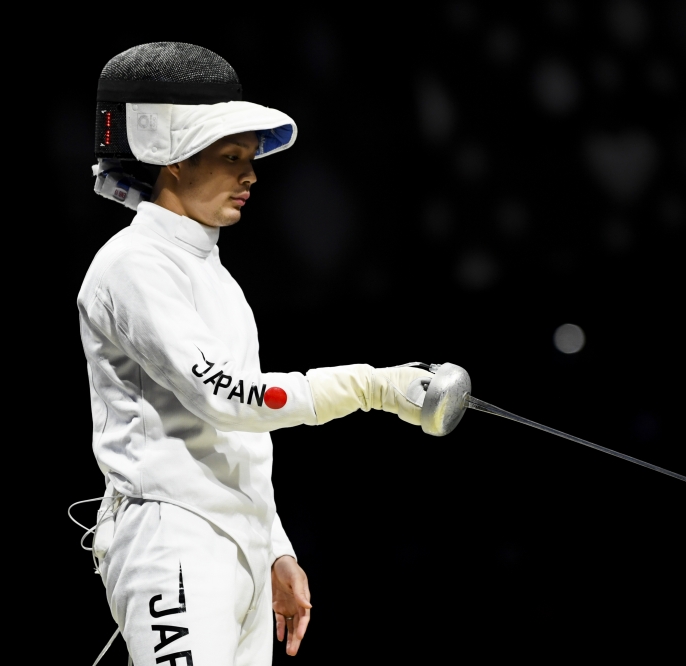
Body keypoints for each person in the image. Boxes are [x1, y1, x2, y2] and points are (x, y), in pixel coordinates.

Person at [79, 42, 438, 664]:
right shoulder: (131, 265)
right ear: (170, 159)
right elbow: (226, 397)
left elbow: (236, 440)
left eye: (249, 158)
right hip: (174, 543)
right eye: (230, 157)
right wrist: (373, 387)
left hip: (232, 546)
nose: (250, 175)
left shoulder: (215, 278)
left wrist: (270, 546)